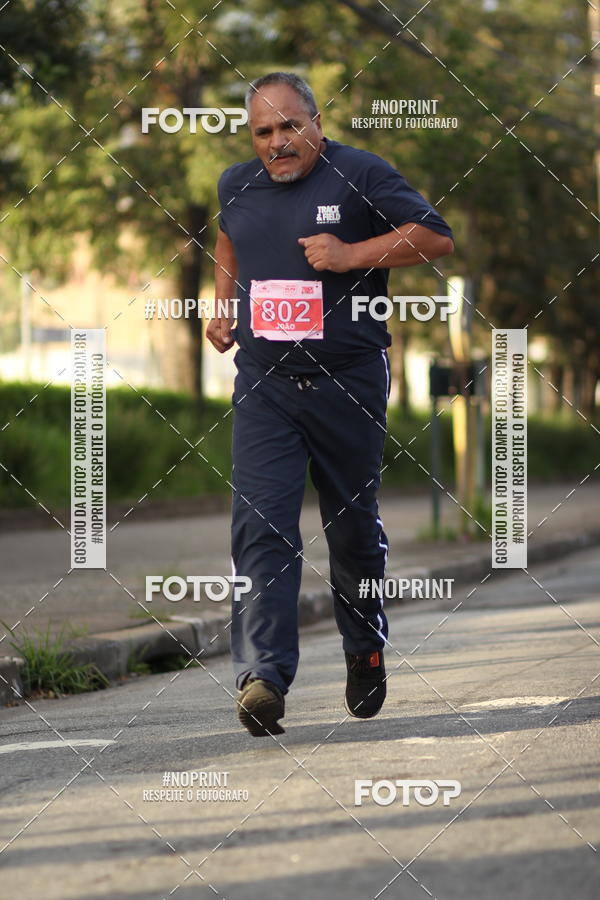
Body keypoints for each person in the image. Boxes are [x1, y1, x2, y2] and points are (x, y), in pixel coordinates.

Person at [207, 72, 453, 737]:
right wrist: (225, 305)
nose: (278, 142)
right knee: (262, 527)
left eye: (291, 126)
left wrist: (351, 255)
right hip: (265, 383)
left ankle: (364, 646)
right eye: (264, 131)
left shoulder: (362, 173)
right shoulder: (236, 185)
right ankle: (262, 676)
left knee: (350, 532)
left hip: (350, 380)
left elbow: (433, 237)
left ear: (318, 121)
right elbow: (229, 240)